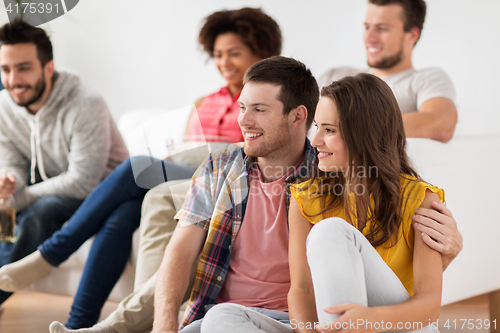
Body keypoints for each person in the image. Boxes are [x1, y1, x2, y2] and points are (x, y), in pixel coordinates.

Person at [0, 7, 282, 330]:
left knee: (136, 165)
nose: (224, 62)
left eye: (234, 53)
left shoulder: (268, 100)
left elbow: (258, 152)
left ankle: (52, 252)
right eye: (217, 54)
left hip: (226, 179)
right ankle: (80, 324)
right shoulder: (207, 100)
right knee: (122, 215)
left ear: (260, 51)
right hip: (193, 172)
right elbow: (192, 148)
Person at [49, 55, 319, 333]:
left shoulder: (326, 177)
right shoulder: (219, 167)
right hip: (213, 317)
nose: (244, 120)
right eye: (242, 107)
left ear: (297, 116)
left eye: (259, 110)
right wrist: (164, 327)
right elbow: (180, 252)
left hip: (286, 321)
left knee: (222, 320)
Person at [288, 74, 443, 333]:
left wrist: (370, 319)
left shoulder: (420, 199)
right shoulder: (306, 197)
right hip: (332, 327)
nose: (315, 141)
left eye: (329, 130)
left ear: (364, 134)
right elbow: (301, 290)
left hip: (402, 327)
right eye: (316, 127)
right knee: (222, 318)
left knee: (329, 231)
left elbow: (429, 306)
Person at [0, 19, 128, 304]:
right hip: (54, 191)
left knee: (40, 210)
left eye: (23, 68)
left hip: (102, 194)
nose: (13, 80)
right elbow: (14, 165)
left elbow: (82, 181)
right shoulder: (4, 107)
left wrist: (21, 198)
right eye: (5, 69)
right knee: (4, 210)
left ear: (48, 67)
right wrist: (9, 183)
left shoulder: (86, 103)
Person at [319, 0, 458, 144]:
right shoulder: (334, 76)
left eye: (382, 28)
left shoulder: (427, 80)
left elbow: (441, 124)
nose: (369, 38)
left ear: (411, 35)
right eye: (367, 27)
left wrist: (349, 129)